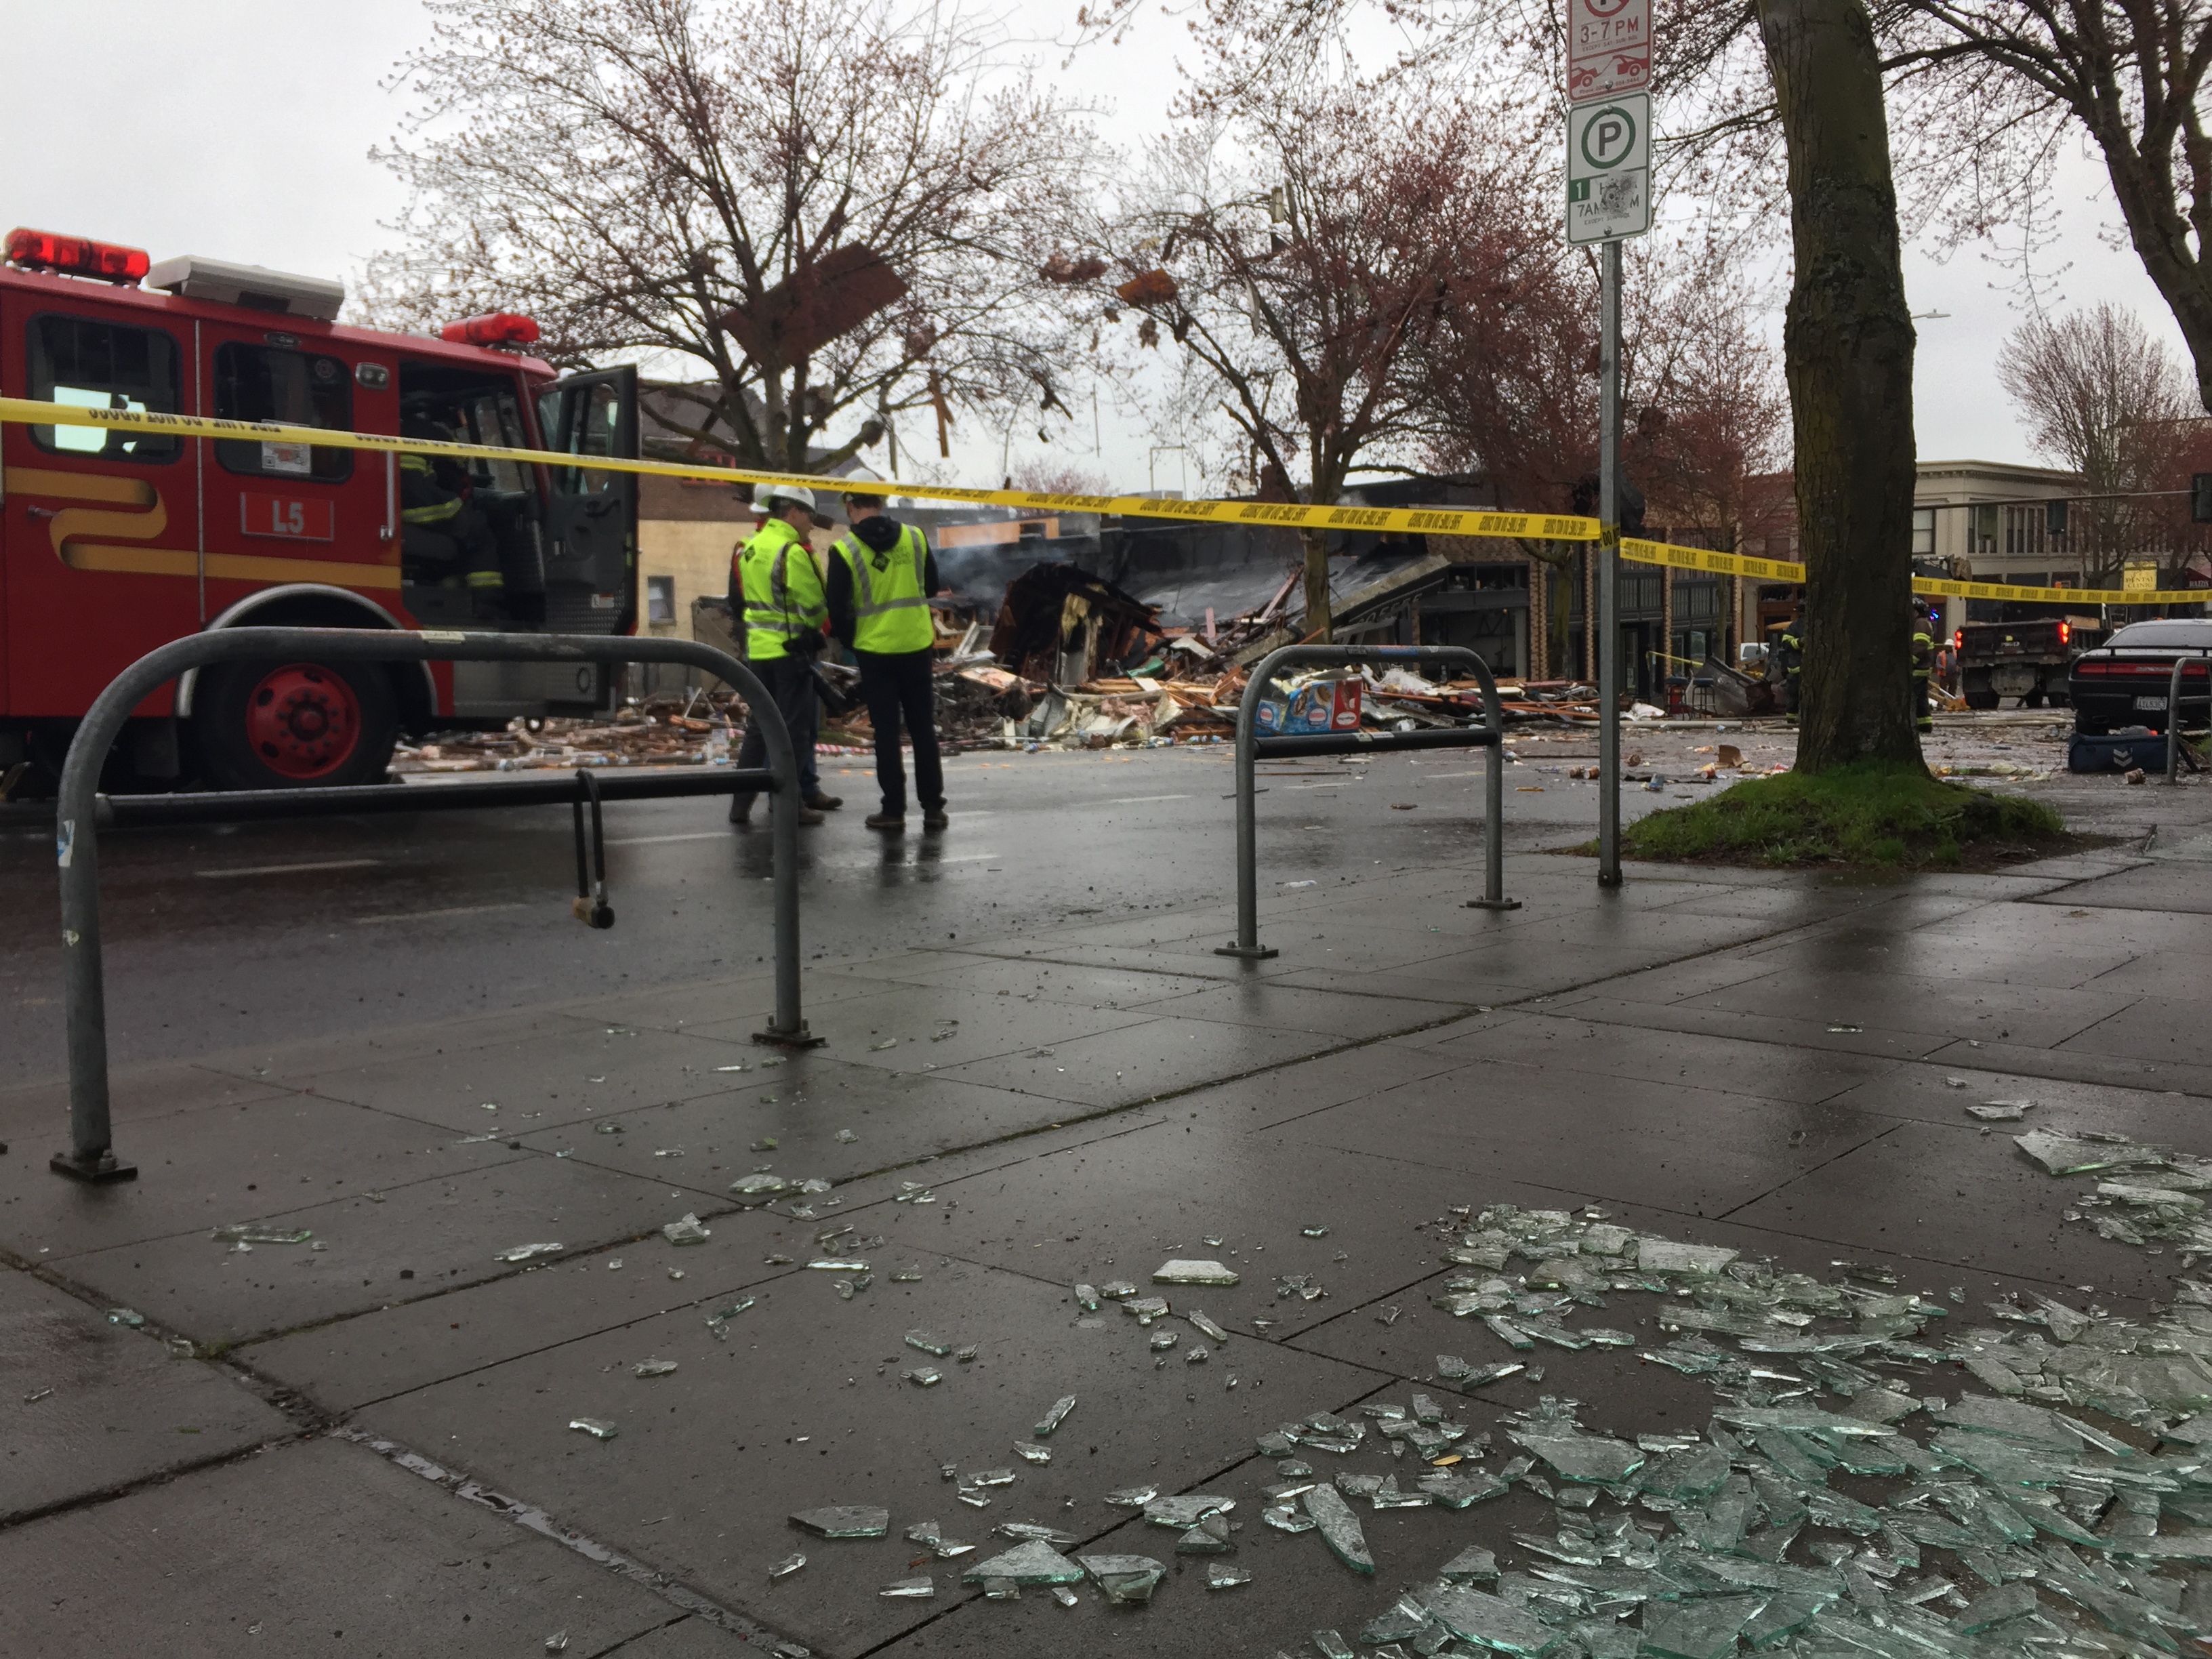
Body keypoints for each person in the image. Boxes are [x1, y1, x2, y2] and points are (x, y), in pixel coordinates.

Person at [828, 491, 948, 831]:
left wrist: (855, 640)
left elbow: (837, 609)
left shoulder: (843, 549)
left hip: (875, 652)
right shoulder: (914, 537)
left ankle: (893, 811)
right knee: (923, 729)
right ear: (880, 502)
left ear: (850, 504)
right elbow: (932, 586)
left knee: (886, 733)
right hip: (916, 644)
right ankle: (934, 809)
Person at [728, 487, 843, 824]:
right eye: (808, 516)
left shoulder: (749, 547)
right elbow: (814, 607)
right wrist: (817, 625)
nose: (810, 524)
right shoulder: (791, 551)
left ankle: (740, 806)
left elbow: (744, 599)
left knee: (758, 729)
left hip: (758, 652)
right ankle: (788, 805)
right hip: (791, 654)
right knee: (794, 732)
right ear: (793, 512)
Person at [399, 416, 504, 619]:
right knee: (479, 533)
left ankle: (453, 584)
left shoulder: (399, 428)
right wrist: (458, 504)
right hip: (421, 506)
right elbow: (458, 461)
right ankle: (487, 603)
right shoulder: (435, 432)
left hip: (399, 509)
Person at [1772, 610, 1805, 718]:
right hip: (1797, 670)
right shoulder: (1796, 626)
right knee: (1794, 697)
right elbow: (1786, 644)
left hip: (1814, 671)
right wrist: (1799, 642)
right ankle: (1792, 720)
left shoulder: (1821, 624)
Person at [1911, 602, 1938, 733]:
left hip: (1918, 669)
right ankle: (1925, 726)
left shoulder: (1920, 624)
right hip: (1923, 669)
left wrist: (1911, 662)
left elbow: (1920, 645)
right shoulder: (1923, 623)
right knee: (1922, 701)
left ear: (1916, 611)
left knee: (1912, 699)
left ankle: (1911, 726)